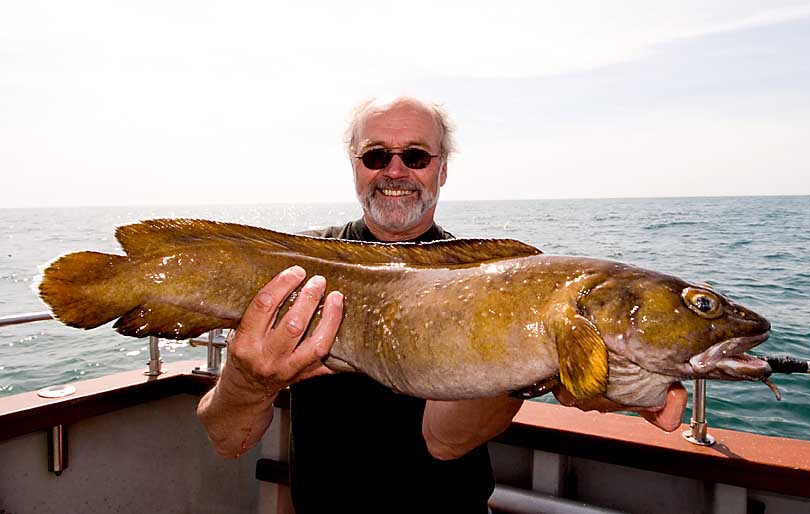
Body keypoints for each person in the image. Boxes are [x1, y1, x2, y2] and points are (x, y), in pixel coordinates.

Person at [196, 96, 687, 513]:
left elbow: (443, 439)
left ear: (442, 170)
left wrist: (552, 359)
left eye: (415, 155)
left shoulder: (489, 279)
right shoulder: (295, 274)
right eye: (375, 156)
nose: (395, 170)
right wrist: (248, 379)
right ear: (354, 167)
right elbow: (227, 438)